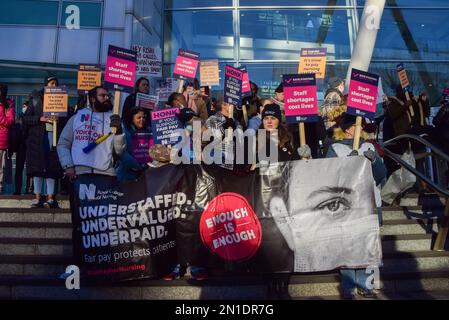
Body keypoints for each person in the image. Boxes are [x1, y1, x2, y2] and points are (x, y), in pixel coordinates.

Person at [326, 112, 386, 299]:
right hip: (347, 205)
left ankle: (366, 284)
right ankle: (348, 284)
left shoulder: (369, 146)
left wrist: (374, 161)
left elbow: (381, 175)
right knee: (347, 245)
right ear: (348, 129)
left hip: (369, 202)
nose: (360, 129)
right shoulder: (335, 148)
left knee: (368, 246)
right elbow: (329, 175)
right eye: (355, 126)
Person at [57, 86, 126, 181]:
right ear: (93, 99)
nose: (107, 98)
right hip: (79, 173)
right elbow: (63, 143)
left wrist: (119, 133)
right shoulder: (76, 118)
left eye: (108, 96)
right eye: (103, 95)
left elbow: (119, 152)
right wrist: (68, 165)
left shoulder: (114, 119)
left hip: (106, 174)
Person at [23, 77, 63, 208]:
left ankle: (51, 197)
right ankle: (37, 197)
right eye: (52, 83)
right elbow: (25, 118)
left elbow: (66, 120)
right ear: (46, 85)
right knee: (37, 167)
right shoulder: (35, 99)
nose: (54, 85)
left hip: (53, 136)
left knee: (51, 166)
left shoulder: (61, 99)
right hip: (38, 138)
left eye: (56, 83)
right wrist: (39, 118)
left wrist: (60, 118)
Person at [117, 107, 152, 182]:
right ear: (132, 118)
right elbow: (122, 152)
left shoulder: (149, 131)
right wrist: (137, 165)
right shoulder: (125, 130)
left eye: (144, 117)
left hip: (144, 173)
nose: (142, 120)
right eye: (139, 117)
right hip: (126, 173)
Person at [13, 101, 31, 195]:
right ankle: (17, 190)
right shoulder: (19, 117)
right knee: (19, 170)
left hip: (29, 146)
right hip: (20, 146)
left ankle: (28, 189)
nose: (24, 108)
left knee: (29, 169)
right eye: (23, 106)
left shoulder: (31, 117)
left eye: (25, 106)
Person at [0, 83, 15, 194]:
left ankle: (0, 186)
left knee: (2, 167)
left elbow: (10, 121)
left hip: (3, 141)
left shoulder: (9, 104)